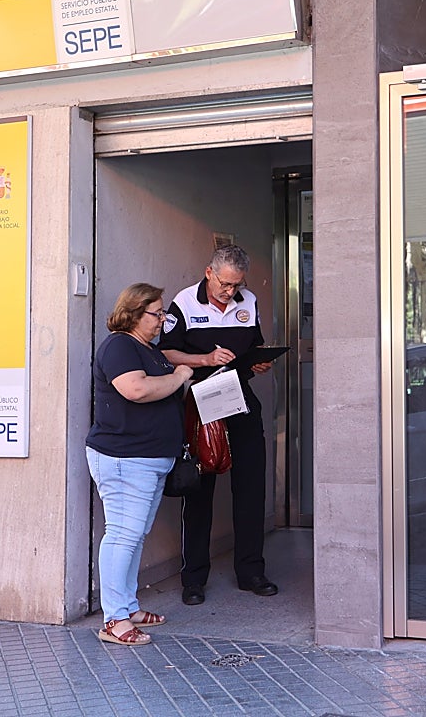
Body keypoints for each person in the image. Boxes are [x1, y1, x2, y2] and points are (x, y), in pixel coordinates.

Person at [161, 244, 278, 605]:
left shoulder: (249, 301)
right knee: (199, 491)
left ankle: (251, 571)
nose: (231, 292)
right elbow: (166, 352)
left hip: (240, 399)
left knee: (251, 488)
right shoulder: (184, 301)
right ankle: (194, 579)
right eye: (225, 284)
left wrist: (260, 363)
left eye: (236, 285)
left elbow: (254, 344)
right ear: (209, 272)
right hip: (202, 401)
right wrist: (205, 358)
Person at [86, 282, 192, 646]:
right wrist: (178, 376)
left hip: (148, 458)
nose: (163, 319)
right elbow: (136, 390)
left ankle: (128, 606)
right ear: (133, 313)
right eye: (157, 313)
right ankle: (113, 620)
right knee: (122, 534)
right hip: (123, 458)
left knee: (134, 535)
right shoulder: (119, 345)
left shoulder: (149, 349)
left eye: (163, 312)